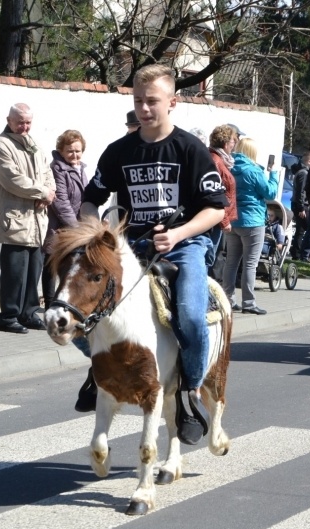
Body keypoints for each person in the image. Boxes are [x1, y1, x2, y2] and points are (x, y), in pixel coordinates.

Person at [80, 65, 227, 445]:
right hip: (132, 248)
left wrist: (178, 233)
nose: (144, 109)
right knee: (80, 314)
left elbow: (215, 208)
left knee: (192, 318)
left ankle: (189, 392)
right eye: (138, 101)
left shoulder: (190, 149)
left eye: (152, 101)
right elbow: (89, 201)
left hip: (186, 246)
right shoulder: (119, 151)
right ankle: (99, 375)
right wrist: (100, 235)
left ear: (172, 102)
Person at [0, 103, 55, 334]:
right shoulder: (1, 145)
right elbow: (12, 179)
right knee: (14, 273)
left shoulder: (33, 144)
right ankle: (8, 317)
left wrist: (49, 192)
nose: (24, 127)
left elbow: (47, 173)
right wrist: (43, 192)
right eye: (20, 122)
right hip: (14, 218)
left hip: (36, 220)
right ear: (9, 120)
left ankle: (28, 312)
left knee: (33, 270)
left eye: (28, 122)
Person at [223, 137, 278, 315]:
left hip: (233, 220)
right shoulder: (253, 171)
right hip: (253, 221)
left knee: (231, 262)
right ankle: (248, 303)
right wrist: (274, 174)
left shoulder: (229, 168)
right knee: (250, 264)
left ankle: (228, 300)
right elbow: (270, 192)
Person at [42, 129, 89, 308]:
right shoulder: (58, 169)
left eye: (78, 151)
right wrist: (77, 228)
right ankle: (49, 304)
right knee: (51, 266)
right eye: (70, 151)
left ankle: (66, 302)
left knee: (69, 267)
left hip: (75, 228)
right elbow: (61, 202)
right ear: (61, 151)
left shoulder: (80, 168)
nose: (74, 154)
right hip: (58, 227)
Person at [207, 124, 239, 281]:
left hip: (218, 218)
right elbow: (216, 192)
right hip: (215, 219)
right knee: (208, 259)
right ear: (226, 143)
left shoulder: (220, 160)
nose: (235, 144)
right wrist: (225, 221)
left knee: (212, 257)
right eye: (234, 140)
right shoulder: (215, 161)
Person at [290, 151, 310, 260]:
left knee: (300, 230)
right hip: (301, 205)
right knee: (306, 229)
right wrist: (301, 208)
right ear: (309, 161)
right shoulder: (304, 173)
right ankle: (299, 253)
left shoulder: (301, 172)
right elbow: (301, 191)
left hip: (299, 204)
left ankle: (296, 252)